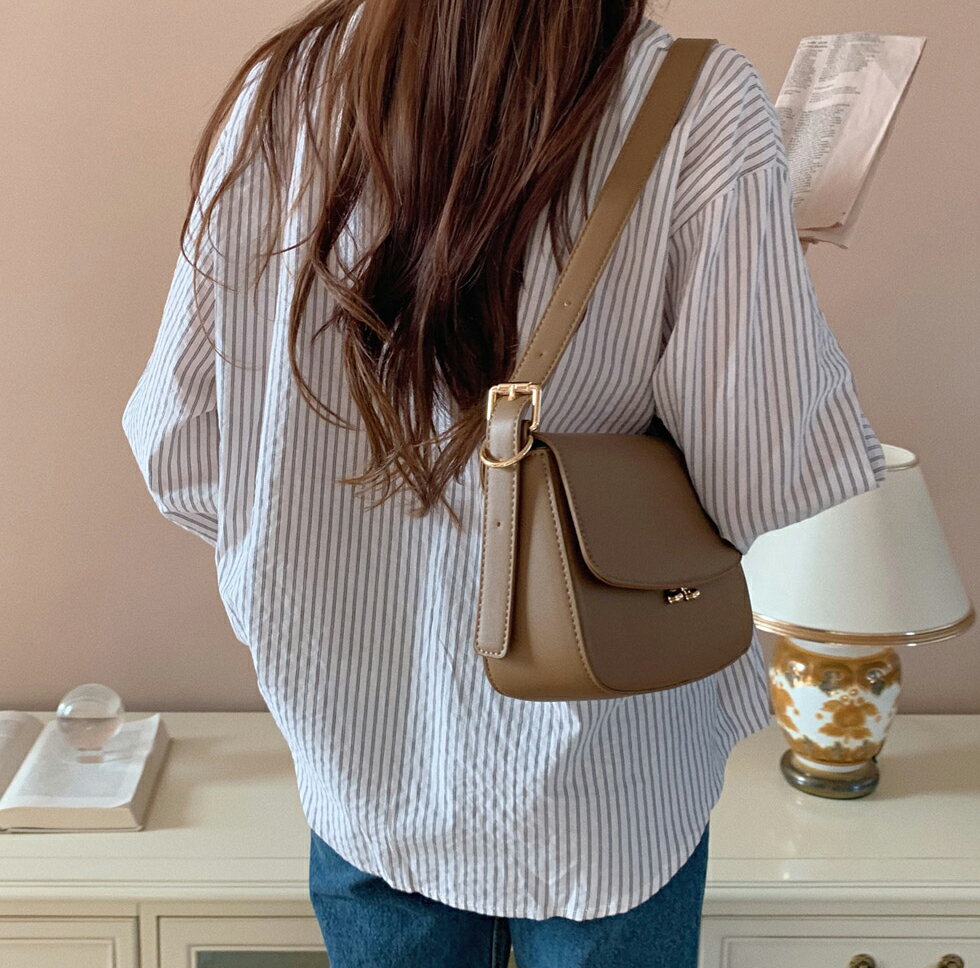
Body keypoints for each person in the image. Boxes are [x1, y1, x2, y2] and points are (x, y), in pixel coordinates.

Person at [121, 2, 887, 965]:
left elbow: (180, 450)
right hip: (609, 774)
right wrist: (771, 280)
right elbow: (764, 481)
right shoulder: (698, 102)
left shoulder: (286, 91)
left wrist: (358, 572)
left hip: (364, 761)